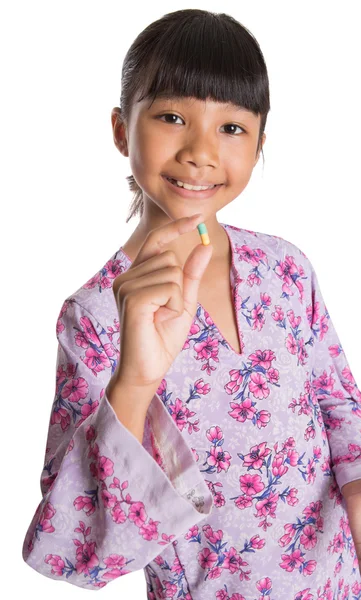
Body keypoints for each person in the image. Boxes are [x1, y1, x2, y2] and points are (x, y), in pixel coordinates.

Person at [22, 8, 361, 599]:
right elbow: (71, 548)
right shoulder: (97, 317)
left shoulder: (286, 269)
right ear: (121, 129)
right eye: (173, 117)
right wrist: (133, 381)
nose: (201, 152)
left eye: (231, 128)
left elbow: (341, 411)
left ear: (259, 144)